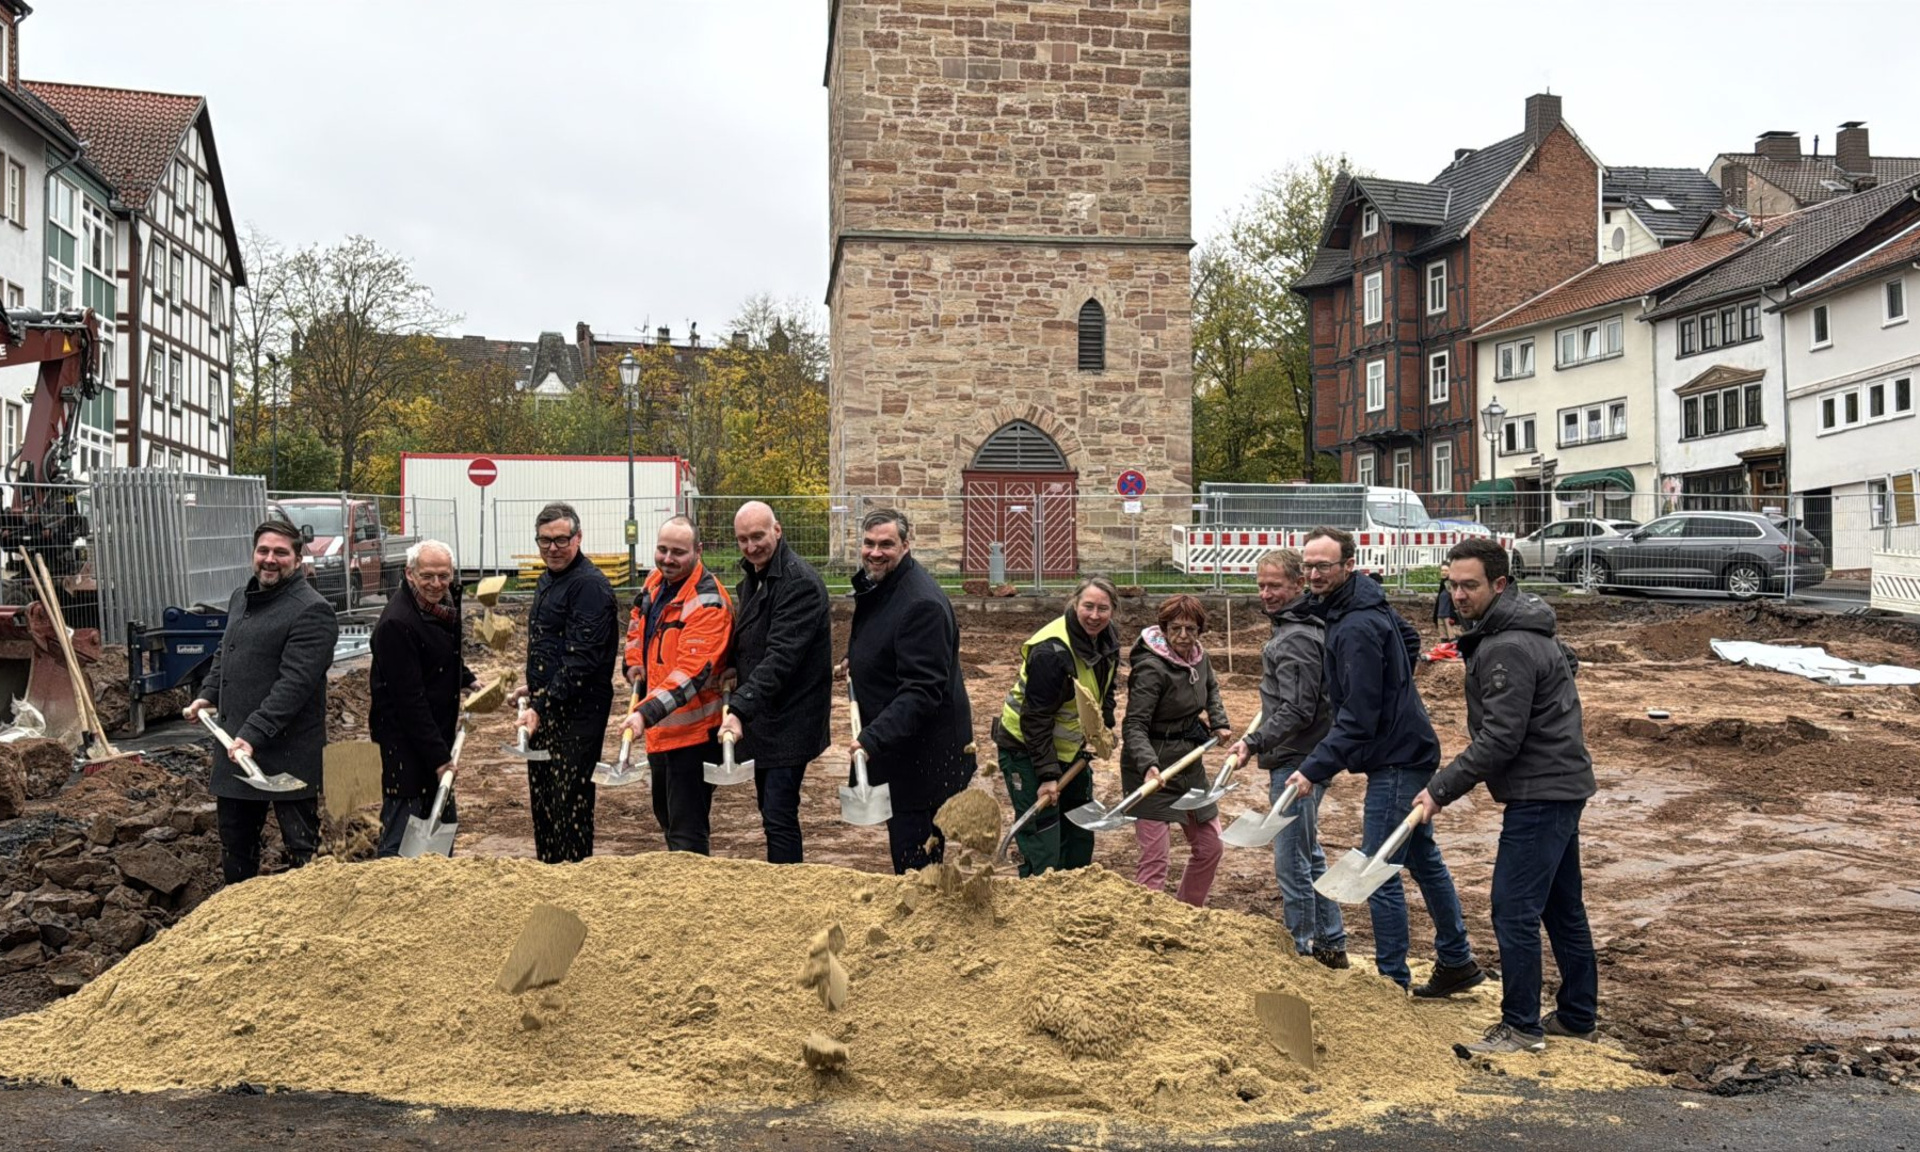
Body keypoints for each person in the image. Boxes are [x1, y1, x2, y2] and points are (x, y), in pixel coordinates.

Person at [1414, 538, 1599, 1055]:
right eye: (1452, 584)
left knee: (1513, 908)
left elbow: (1500, 739)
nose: (1458, 595)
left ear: (1499, 584)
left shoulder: (1506, 647)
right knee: (1562, 907)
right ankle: (1579, 1015)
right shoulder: (1516, 630)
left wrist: (1439, 790)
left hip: (1541, 791)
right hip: (1561, 783)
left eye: (1469, 585)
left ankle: (1520, 1026)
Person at [1282, 525, 1484, 997]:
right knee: (1422, 857)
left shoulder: (1354, 625)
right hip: (1406, 745)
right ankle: (1456, 958)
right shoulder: (1360, 603)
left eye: (1323, 566)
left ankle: (1392, 979)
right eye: (1308, 565)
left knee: (1378, 866)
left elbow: (1356, 718)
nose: (1313, 574)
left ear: (1347, 566)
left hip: (1397, 757)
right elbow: (1410, 638)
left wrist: (1313, 768)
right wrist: (1396, 686)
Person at [185, 519, 339, 885]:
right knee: (236, 846)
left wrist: (253, 734)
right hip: (236, 748)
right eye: (263, 551)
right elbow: (227, 653)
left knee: (301, 848)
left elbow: (294, 685)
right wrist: (207, 695)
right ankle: (240, 914)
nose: (270, 560)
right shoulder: (242, 597)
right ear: (253, 554)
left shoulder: (311, 610)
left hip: (288, 753)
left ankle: (308, 920)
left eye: (281, 553)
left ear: (298, 559)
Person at [1228, 548, 1347, 968]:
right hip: (1308, 754)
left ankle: (1300, 948)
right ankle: (1332, 943)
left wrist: (1253, 742)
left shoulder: (1296, 636)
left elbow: (1298, 709)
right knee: (1308, 851)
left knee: (1291, 859)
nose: (1266, 593)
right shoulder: (1297, 625)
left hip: (1298, 759)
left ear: (1298, 584)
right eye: (1261, 585)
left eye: (1275, 585)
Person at [846, 508, 975, 874]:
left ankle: (926, 927)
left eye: (886, 544)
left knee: (917, 863)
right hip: (904, 752)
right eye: (869, 543)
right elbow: (888, 638)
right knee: (910, 858)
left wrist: (873, 738)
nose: (875, 552)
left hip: (922, 763)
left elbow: (922, 691)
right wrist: (858, 657)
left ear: (906, 544)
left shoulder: (920, 604)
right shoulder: (887, 587)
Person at [720, 501, 831, 864]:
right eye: (743, 540)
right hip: (768, 714)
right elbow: (754, 636)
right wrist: (733, 665)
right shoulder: (758, 574)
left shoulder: (798, 583)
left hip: (791, 717)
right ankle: (782, 880)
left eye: (758, 536)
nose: (751, 546)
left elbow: (781, 657)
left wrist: (738, 708)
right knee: (771, 811)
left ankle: (789, 886)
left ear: (777, 531)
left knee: (779, 813)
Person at [993, 577, 1121, 878]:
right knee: (1043, 838)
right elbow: (1035, 720)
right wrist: (1048, 776)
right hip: (1026, 749)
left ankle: (1072, 901)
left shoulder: (1106, 637)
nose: (1094, 615)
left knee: (1079, 832)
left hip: (1070, 750)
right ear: (1075, 603)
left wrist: (1104, 729)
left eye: (1103, 608)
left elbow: (1105, 689)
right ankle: (1036, 909)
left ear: (1113, 611)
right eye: (1088, 606)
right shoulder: (1051, 652)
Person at [622, 516, 734, 854]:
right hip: (661, 730)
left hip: (693, 734)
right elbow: (636, 624)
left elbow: (690, 675)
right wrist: (632, 662)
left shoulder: (708, 602)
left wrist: (644, 713)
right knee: (667, 817)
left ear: (698, 551)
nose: (667, 559)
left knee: (686, 830)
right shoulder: (656, 582)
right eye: (662, 549)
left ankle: (693, 897)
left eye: (678, 552)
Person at [515, 502, 619, 863]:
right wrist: (535, 684)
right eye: (545, 541)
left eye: (561, 539)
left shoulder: (589, 586)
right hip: (548, 707)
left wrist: (543, 706)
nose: (553, 548)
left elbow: (582, 660)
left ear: (578, 538)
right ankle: (549, 872)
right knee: (543, 802)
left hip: (577, 715)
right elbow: (553, 644)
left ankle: (573, 877)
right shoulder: (549, 578)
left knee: (568, 804)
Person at [1120, 594, 1231, 906]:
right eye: (1176, 629)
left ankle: (1185, 912)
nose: (1184, 636)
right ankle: (1147, 927)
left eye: (1191, 629)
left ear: (1199, 631)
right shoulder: (1151, 669)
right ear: (1164, 628)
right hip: (1152, 769)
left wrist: (1219, 721)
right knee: (1155, 861)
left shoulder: (1199, 657)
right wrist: (1147, 765)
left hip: (1187, 763)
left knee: (1210, 847)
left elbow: (1211, 687)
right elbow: (1134, 726)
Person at [369, 540, 477, 857]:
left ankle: (437, 889)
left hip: (433, 737)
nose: (436, 584)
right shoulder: (397, 623)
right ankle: (390, 893)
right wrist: (440, 759)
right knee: (404, 832)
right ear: (410, 574)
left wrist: (467, 678)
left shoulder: (441, 606)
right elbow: (409, 702)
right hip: (405, 744)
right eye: (427, 576)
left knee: (440, 824)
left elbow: (440, 655)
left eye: (443, 576)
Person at [1433, 561, 1459, 641]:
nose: (1443, 572)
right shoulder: (1443, 584)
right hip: (1441, 615)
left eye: (1446, 570)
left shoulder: (1452, 584)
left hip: (1449, 616)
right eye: (1442, 570)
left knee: (1452, 639)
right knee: (1443, 639)